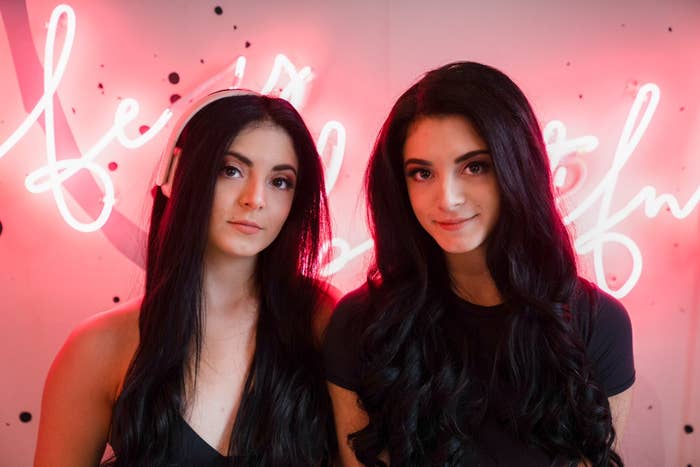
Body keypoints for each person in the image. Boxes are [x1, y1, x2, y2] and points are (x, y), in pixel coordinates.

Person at [323, 62, 635, 466]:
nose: (447, 198)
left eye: (474, 166)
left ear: (517, 168)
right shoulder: (362, 324)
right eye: (421, 173)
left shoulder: (598, 323)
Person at [35, 90, 338, 466]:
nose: (255, 198)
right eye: (231, 170)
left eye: (280, 181)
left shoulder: (320, 318)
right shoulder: (99, 348)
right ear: (175, 174)